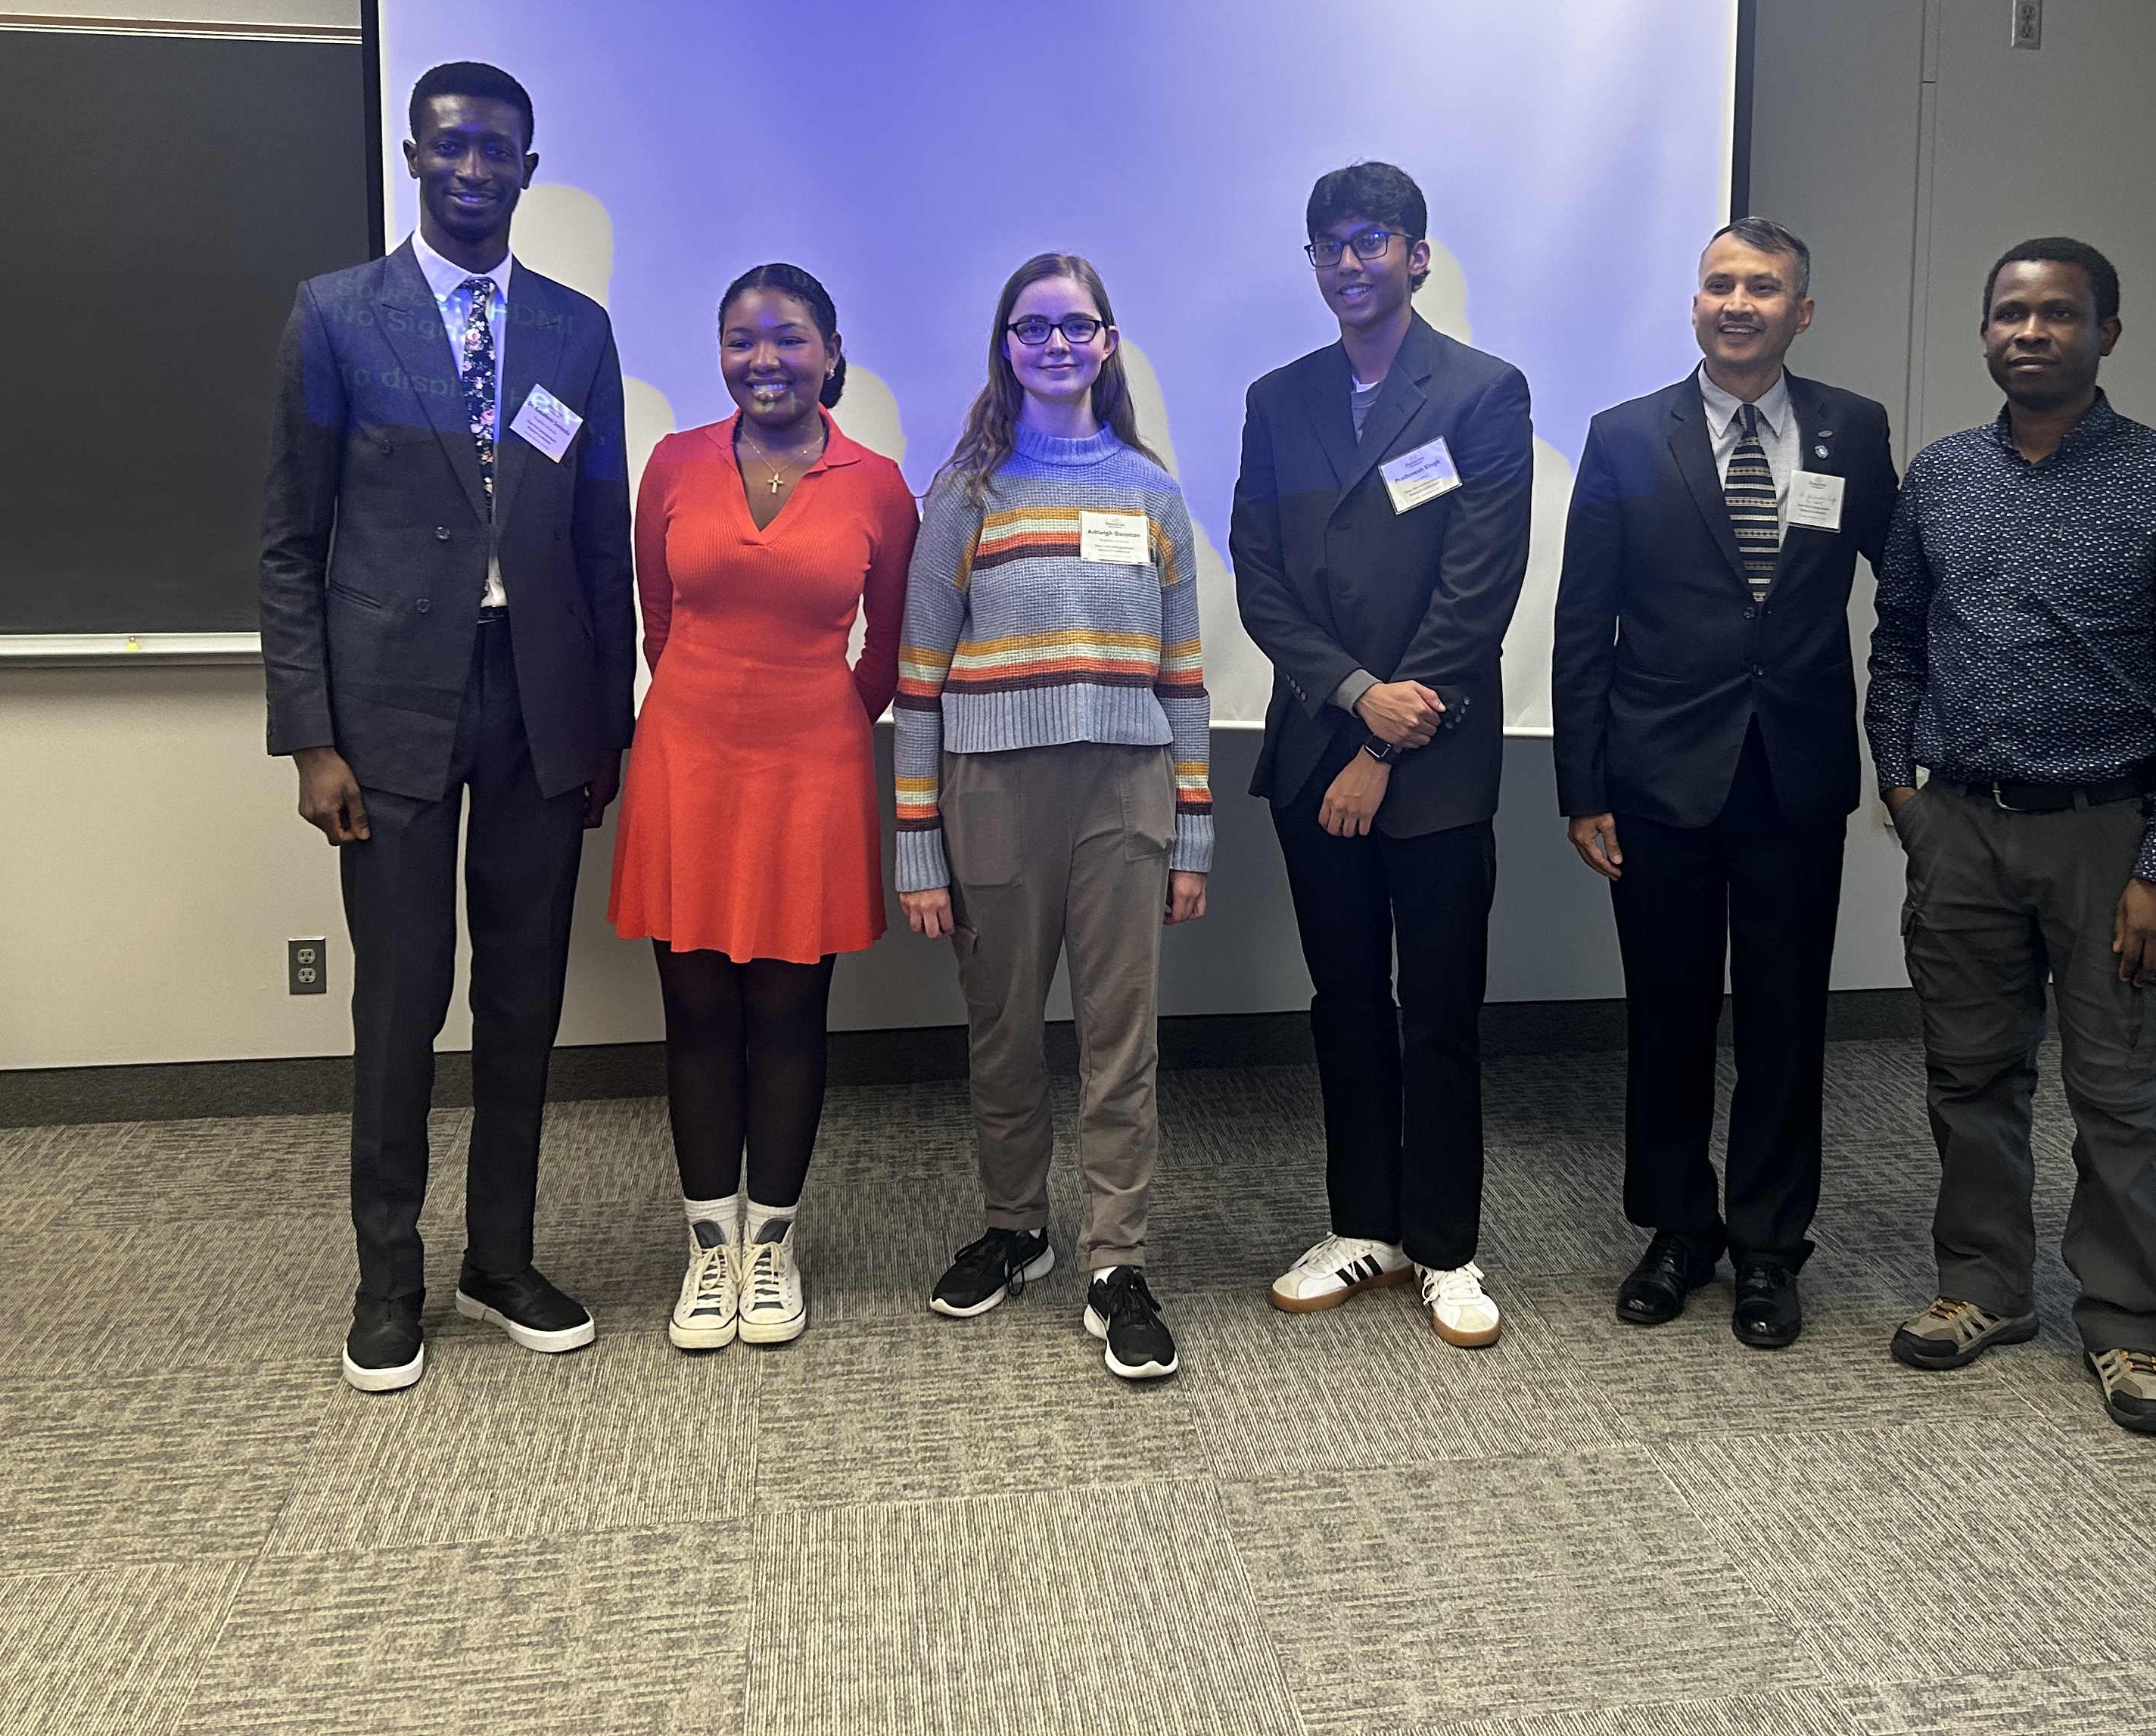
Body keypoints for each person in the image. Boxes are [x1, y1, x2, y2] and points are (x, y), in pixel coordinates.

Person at [262, 61, 634, 1395]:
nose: (476, 170)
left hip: (539, 703)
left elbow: (603, 544)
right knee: (401, 1001)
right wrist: (311, 736)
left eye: (501, 152)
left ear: (530, 170)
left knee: (524, 998)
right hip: (388, 713)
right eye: (452, 147)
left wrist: (609, 729)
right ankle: (389, 1278)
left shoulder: (575, 330)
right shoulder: (336, 316)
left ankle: (502, 1257)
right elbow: (290, 543)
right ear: (413, 157)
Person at [1868, 238, 2156, 1437]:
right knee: (1969, 1076)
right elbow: (1899, 640)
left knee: (2123, 1092)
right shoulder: (1938, 476)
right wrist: (1900, 790)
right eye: (2010, 314)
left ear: (2106, 335)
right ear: (1984, 333)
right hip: (1963, 828)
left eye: (2060, 314)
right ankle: (1983, 1289)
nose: (2031, 333)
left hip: (2109, 838)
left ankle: (2128, 1329)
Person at [1553, 219, 1895, 1350]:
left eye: (1763, 287)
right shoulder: (1620, 437)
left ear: (1803, 311)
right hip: (1657, 780)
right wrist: (1580, 783)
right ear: (1693, 305)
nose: (1736, 302)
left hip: (1794, 775)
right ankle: (1675, 1230)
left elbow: (1907, 589)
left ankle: (1767, 1248)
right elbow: (1580, 624)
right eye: (1718, 285)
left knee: (1789, 1026)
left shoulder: (1855, 429)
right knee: (1668, 1019)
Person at [894, 254, 1212, 1383]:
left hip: (1124, 794)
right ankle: (1017, 1228)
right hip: (992, 793)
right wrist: (918, 843)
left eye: (1078, 326)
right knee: (1005, 1033)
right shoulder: (965, 493)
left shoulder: (1152, 491)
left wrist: (1194, 826)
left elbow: (1183, 676)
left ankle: (1117, 1260)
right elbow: (919, 680)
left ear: (1109, 343)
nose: (1057, 344)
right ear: (1007, 347)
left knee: (1122, 1042)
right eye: (1035, 328)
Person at [1232, 162, 1532, 1349]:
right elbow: (1260, 576)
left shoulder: (1481, 390)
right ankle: (1363, 1221)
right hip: (1318, 748)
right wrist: (1356, 703)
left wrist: (1395, 733)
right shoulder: (1278, 396)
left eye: (1372, 241)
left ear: (1416, 253)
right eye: (1328, 247)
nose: (1349, 264)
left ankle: (1446, 1245)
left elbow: (1479, 583)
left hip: (1440, 756)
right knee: (1345, 999)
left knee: (1441, 1007)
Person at [611, 265, 916, 1353]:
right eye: (740, 340)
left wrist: (814, 715)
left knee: (789, 1016)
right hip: (689, 761)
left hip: (812, 770)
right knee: (695, 1013)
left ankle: (772, 1243)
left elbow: (885, 652)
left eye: (788, 340)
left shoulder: (877, 482)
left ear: (833, 351)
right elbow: (658, 618)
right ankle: (708, 1247)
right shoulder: (676, 463)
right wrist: (710, 704)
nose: (764, 361)